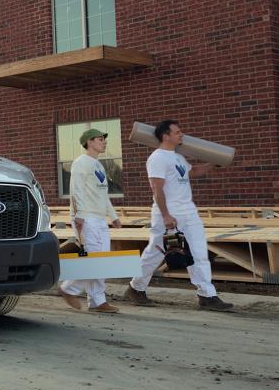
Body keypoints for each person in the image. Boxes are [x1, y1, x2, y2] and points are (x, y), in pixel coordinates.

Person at [123, 120, 234, 312]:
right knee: (155, 252)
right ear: (166, 136)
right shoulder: (157, 158)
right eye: (177, 132)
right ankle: (135, 288)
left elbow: (193, 172)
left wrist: (212, 164)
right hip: (168, 213)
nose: (181, 135)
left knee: (199, 253)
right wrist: (166, 215)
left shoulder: (178, 157)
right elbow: (156, 189)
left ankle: (207, 295)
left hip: (189, 212)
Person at [58, 128, 123, 313]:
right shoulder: (80, 162)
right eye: (100, 139)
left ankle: (95, 301)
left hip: (99, 217)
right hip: (85, 217)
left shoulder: (98, 165)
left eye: (104, 139)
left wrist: (114, 216)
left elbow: (103, 195)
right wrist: (78, 216)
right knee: (94, 259)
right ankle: (70, 289)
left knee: (101, 260)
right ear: (89, 142)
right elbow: (75, 190)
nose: (104, 142)